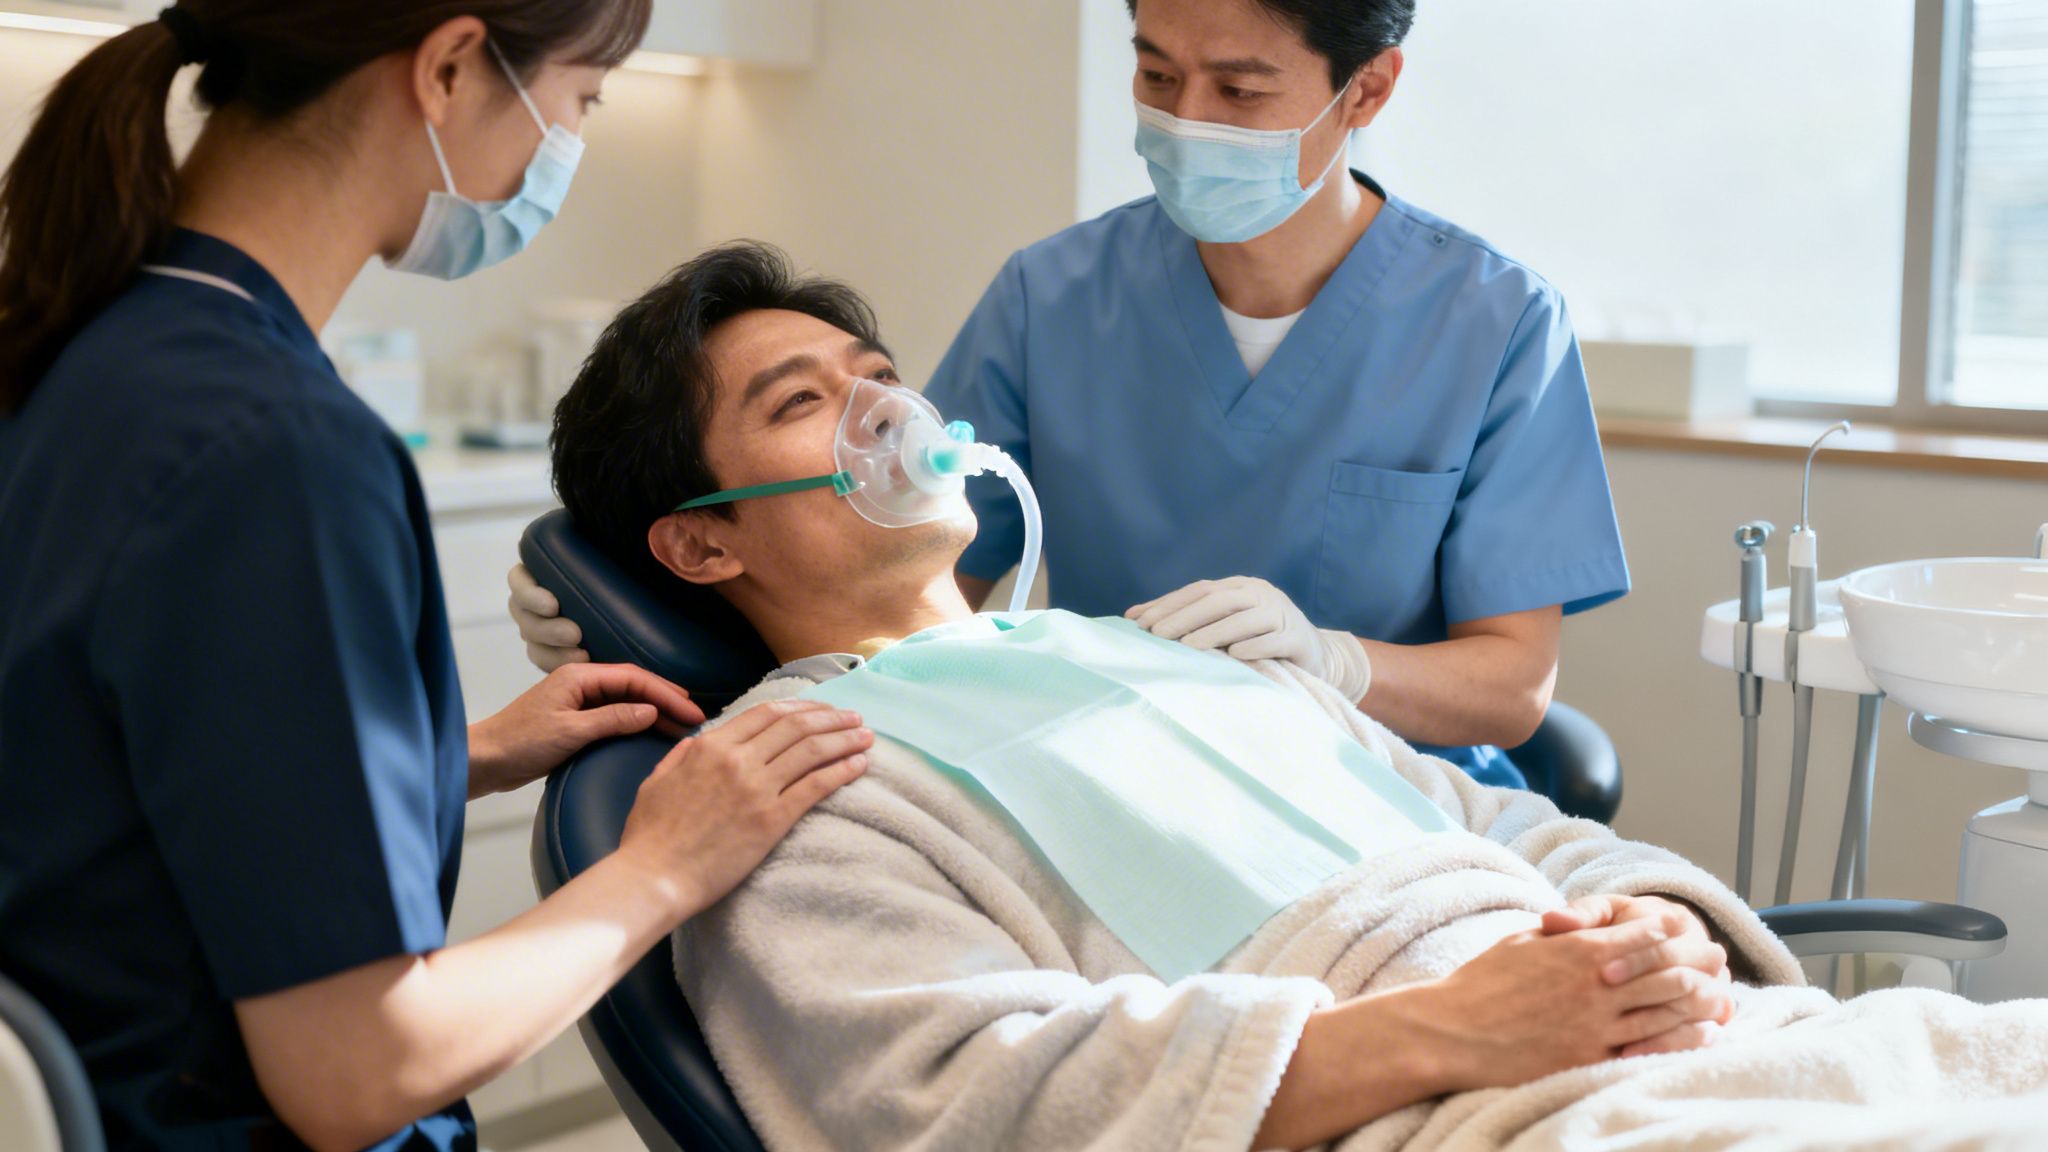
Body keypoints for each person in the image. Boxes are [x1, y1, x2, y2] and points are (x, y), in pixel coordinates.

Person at [533, 243, 2048, 1151]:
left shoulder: (1173, 653)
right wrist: (1454, 1033)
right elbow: (983, 1105)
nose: (887, 413)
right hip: (1454, 1108)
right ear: (700, 536)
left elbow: (1498, 826)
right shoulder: (795, 783)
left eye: (880, 375)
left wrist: (1662, 931)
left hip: (1653, 1042)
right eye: (805, 403)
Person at [0, 7, 868, 1150]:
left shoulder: (83, 348)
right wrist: (662, 868)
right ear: (451, 68)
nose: (567, 142)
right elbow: (357, 1071)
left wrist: (457, 756)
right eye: (581, 99)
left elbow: (105, 791)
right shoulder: (274, 451)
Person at [507, 0, 1628, 792]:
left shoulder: (1492, 322)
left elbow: (1509, 689)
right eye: (1154, 73)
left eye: (1239, 88)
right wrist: (635, 619)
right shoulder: (1054, 297)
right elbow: (871, 566)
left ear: (1365, 88)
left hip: (1377, 791)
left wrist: (1330, 662)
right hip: (1107, 764)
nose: (1185, 117)